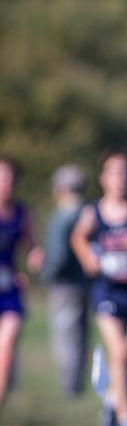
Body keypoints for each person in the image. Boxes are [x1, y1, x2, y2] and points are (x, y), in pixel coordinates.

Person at [71, 149, 127, 426]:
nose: (121, 178)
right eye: (115, 172)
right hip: (107, 291)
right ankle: (126, 416)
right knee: (118, 350)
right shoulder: (94, 211)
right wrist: (87, 257)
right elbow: (78, 237)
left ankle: (112, 400)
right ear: (103, 178)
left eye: (126, 172)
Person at [41, 164, 91, 395]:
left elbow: (59, 255)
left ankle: (70, 386)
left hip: (65, 285)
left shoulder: (63, 215)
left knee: (66, 334)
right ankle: (78, 382)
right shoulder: (88, 212)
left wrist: (47, 273)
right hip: (86, 282)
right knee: (82, 334)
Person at [0, 155, 44, 409]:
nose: (6, 183)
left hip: (9, 290)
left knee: (8, 341)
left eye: (11, 178)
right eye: (2, 177)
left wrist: (36, 258)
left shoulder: (23, 213)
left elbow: (33, 247)